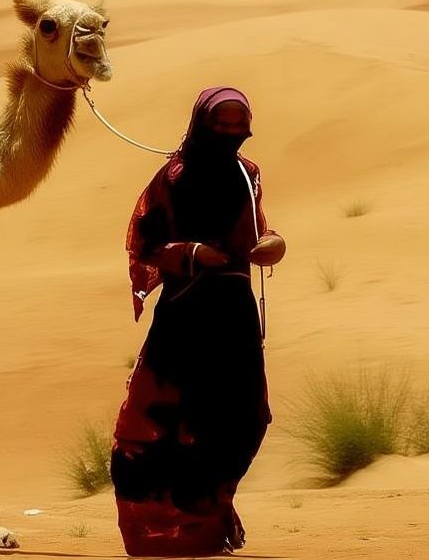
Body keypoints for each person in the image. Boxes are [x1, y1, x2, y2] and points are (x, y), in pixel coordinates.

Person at [112, 86, 287, 557]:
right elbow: (144, 242)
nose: (232, 132)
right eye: (222, 123)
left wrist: (273, 243)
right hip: (186, 312)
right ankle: (158, 534)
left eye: (239, 124)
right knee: (164, 419)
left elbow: (259, 228)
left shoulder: (247, 174)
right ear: (203, 121)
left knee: (243, 417)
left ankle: (210, 515)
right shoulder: (175, 176)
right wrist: (191, 253)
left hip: (234, 308)